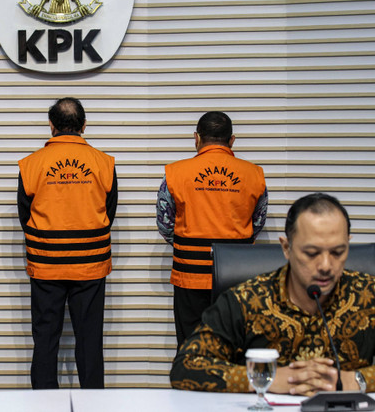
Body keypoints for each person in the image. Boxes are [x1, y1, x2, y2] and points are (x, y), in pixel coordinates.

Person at [170, 193, 374, 396]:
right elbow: (186, 366)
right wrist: (264, 378)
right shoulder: (246, 299)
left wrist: (356, 380)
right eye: (311, 253)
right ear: (286, 248)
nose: (326, 266)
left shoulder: (368, 294)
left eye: (338, 252)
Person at [17, 97, 117, 389]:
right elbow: (108, 213)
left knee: (45, 339)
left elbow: (26, 215)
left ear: (51, 126)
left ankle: (45, 406)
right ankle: (93, 406)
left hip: (46, 264)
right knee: (89, 341)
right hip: (91, 265)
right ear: (84, 126)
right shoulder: (105, 164)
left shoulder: (31, 165)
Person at [156, 111, 268, 347]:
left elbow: (164, 223)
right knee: (235, 347)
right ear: (232, 140)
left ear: (196, 138)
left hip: (190, 275)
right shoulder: (254, 175)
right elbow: (257, 222)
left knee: (190, 347)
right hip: (237, 274)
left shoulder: (175, 173)